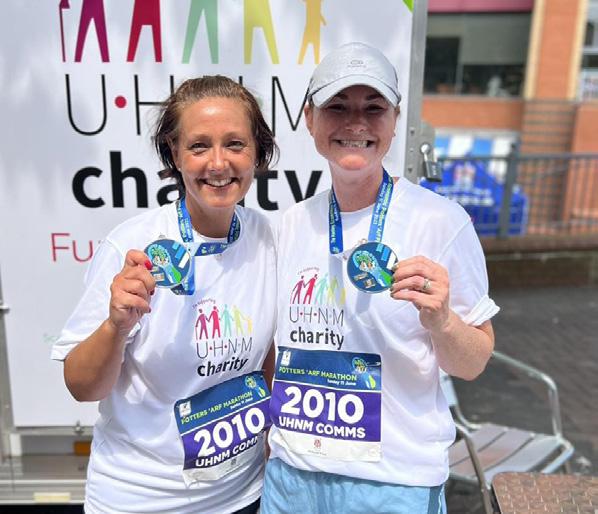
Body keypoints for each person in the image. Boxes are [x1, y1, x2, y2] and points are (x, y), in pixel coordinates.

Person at [262, 42, 499, 513]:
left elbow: (472, 363)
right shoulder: (288, 225)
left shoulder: (441, 222)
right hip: (292, 480)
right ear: (309, 118)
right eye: (337, 107)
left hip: (392, 484)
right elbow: (274, 350)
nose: (356, 124)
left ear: (394, 121)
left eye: (374, 108)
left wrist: (443, 322)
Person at [51, 76, 278, 514]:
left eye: (235, 144)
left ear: (257, 152)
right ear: (175, 153)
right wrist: (116, 327)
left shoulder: (268, 237)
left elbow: (266, 355)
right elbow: (81, 386)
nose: (218, 163)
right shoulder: (132, 246)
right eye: (199, 146)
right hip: (141, 499)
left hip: (242, 495)